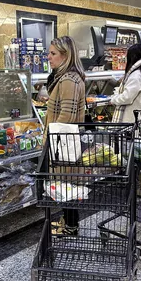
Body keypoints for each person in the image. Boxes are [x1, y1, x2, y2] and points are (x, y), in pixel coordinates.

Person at [45, 36, 86, 236]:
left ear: (65, 55)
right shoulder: (69, 77)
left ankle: (70, 226)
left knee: (66, 184)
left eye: (53, 53)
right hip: (65, 141)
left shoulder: (68, 79)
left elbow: (66, 117)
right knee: (66, 183)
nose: (48, 57)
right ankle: (67, 222)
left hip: (63, 142)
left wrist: (53, 142)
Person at [108, 44, 141, 123]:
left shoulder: (136, 75)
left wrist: (113, 99)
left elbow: (127, 98)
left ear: (132, 57)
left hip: (131, 119)